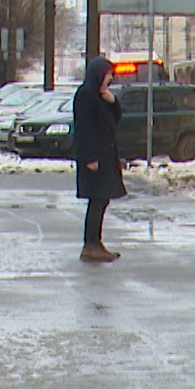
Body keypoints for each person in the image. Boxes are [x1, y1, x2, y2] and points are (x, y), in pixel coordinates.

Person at [72, 56, 125, 263]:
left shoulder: (99, 95)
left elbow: (114, 120)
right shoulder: (85, 95)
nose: (110, 78)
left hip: (104, 155)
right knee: (98, 199)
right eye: (108, 74)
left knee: (102, 199)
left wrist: (113, 102)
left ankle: (95, 242)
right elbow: (84, 128)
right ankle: (91, 244)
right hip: (95, 158)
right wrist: (90, 157)